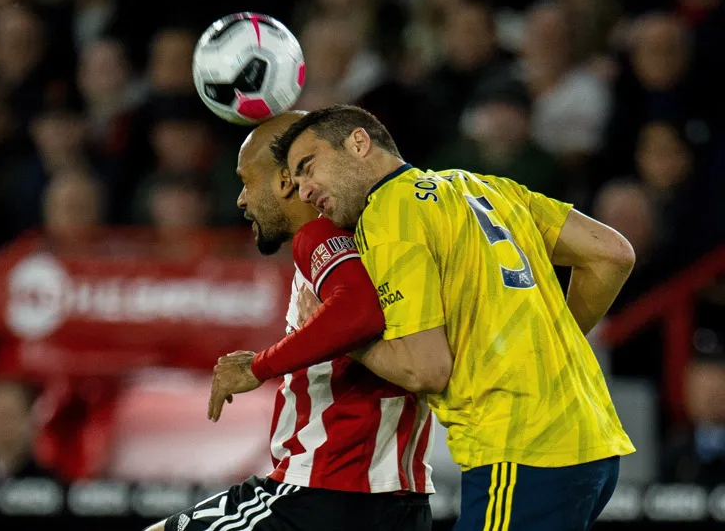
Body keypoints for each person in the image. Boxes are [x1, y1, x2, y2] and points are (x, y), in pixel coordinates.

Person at [270, 104, 637, 531]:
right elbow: (610, 254)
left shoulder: (389, 213)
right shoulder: (482, 187)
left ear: (358, 142)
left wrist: (342, 337)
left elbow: (426, 369)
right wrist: (547, 343)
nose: (306, 190)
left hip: (519, 448)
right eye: (296, 183)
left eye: (308, 167)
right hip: (593, 439)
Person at [145, 112, 442, 531]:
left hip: (324, 494)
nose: (241, 199)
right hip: (398, 501)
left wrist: (256, 367)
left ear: (285, 183)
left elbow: (358, 311)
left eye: (246, 181)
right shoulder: (372, 238)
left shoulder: (316, 236)